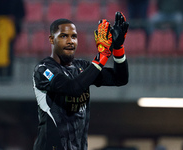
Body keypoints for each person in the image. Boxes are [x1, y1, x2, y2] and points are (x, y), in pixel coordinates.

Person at [32, 12, 129, 150]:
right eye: (63, 36)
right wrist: (102, 56)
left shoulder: (82, 67)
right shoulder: (43, 70)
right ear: (51, 39)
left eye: (74, 36)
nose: (70, 41)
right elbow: (73, 88)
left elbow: (120, 79)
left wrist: (118, 48)